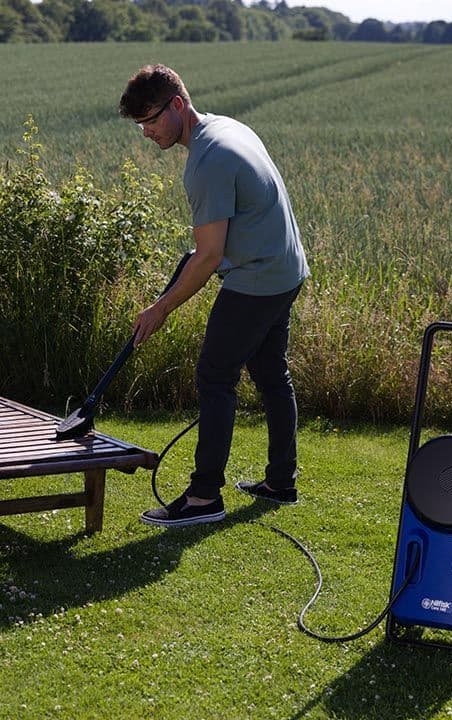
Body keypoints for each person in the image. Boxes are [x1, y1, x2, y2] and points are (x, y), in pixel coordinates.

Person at [118, 64, 309, 529]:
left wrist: (160, 309)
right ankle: (281, 482)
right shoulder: (227, 127)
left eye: (151, 120)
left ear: (177, 105)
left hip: (257, 280)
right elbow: (217, 242)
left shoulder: (208, 162)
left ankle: (204, 496)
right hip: (287, 270)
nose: (146, 133)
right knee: (270, 373)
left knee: (215, 377)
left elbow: (208, 257)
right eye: (140, 125)